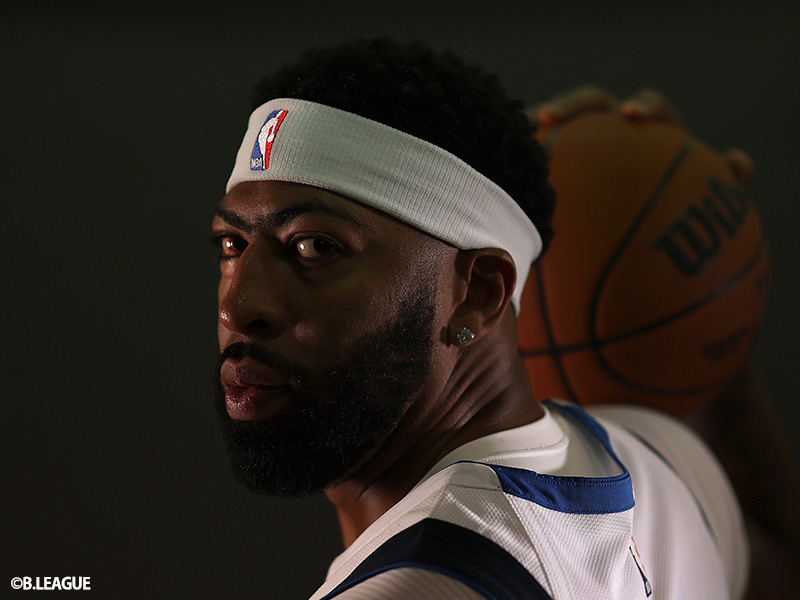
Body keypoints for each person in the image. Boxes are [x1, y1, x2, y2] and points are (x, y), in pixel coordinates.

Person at [212, 39, 749, 599]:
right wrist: (707, 295)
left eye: (315, 247)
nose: (238, 308)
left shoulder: (416, 586)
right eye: (232, 244)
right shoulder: (661, 459)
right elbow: (775, 560)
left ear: (479, 293)